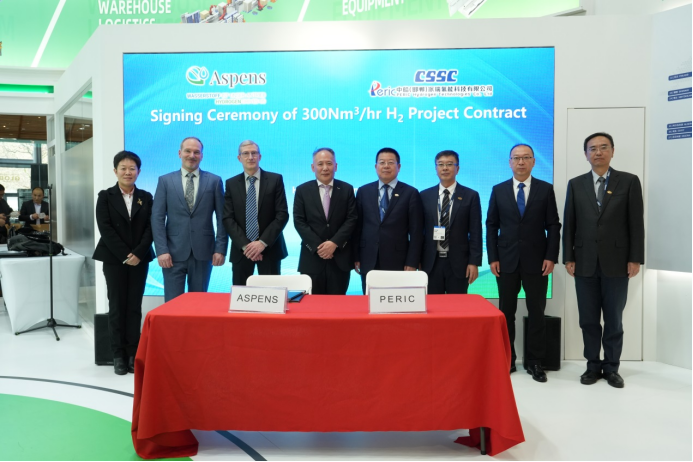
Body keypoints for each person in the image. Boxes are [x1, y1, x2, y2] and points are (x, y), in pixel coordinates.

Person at [563, 132, 644, 389]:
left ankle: (611, 368)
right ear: (585, 154)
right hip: (584, 262)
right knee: (588, 319)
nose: (598, 152)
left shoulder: (629, 181)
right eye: (592, 148)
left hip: (618, 262)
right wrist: (568, 257)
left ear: (612, 151)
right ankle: (592, 366)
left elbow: (636, 223)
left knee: (613, 319)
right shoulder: (576, 184)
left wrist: (635, 258)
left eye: (603, 147)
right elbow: (570, 224)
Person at [486, 144, 561, 383]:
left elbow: (553, 225)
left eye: (526, 157)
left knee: (537, 312)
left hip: (537, 262)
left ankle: (535, 361)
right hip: (505, 261)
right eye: (516, 158)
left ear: (533, 161)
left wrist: (551, 256)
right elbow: (491, 226)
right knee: (506, 312)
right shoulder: (498, 190)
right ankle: (508, 359)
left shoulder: (545, 189)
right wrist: (493, 258)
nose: (521, 162)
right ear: (510, 162)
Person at [92, 151, 154, 375]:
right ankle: (117, 354)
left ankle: (132, 353)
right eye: (123, 168)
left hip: (140, 259)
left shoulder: (146, 197)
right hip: (114, 259)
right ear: (115, 171)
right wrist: (126, 255)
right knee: (117, 306)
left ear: (139, 171)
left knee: (134, 307)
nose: (128, 172)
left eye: (132, 168)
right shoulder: (105, 196)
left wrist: (138, 253)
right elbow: (105, 228)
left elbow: (151, 228)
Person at [151, 137, 228, 302]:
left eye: (196, 152)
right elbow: (157, 218)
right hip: (172, 253)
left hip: (203, 252)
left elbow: (222, 218)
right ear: (180, 153)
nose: (192, 155)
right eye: (188, 151)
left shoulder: (214, 181)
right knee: (172, 304)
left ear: (202, 156)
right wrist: (161, 251)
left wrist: (220, 249)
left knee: (198, 304)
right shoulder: (165, 181)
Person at [353, 147, 424, 294]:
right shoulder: (363, 191)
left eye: (391, 162)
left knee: (396, 300)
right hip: (368, 258)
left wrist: (412, 261)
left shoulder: (410, 193)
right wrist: (356, 256)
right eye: (382, 162)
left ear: (399, 166)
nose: (386, 166)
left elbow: (416, 232)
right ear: (376, 166)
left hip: (398, 260)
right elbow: (357, 227)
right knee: (369, 301)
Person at [222, 140, 289, 285]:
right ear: (239, 158)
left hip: (270, 249)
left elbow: (282, 215)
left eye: (254, 153)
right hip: (242, 251)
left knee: (272, 295)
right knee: (241, 295)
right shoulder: (231, 183)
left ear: (260, 156)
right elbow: (228, 218)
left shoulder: (275, 180)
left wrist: (262, 243)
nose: (250, 157)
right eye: (246, 153)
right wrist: (247, 246)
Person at [293, 148, 357, 295]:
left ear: (336, 166)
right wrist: (319, 247)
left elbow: (352, 219)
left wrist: (334, 243)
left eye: (329, 163)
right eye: (320, 164)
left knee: (338, 304)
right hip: (312, 258)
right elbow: (299, 221)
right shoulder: (302, 190)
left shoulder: (347, 189)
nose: (325, 168)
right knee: (311, 305)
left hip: (339, 258)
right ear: (313, 167)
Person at [420, 150, 482, 294]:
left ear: (457, 168)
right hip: (431, 262)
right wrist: (417, 260)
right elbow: (419, 231)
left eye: (449, 164)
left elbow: (475, 232)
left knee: (457, 305)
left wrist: (474, 262)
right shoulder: (424, 196)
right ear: (436, 168)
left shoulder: (470, 196)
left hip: (459, 263)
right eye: (441, 164)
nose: (445, 168)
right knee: (433, 305)